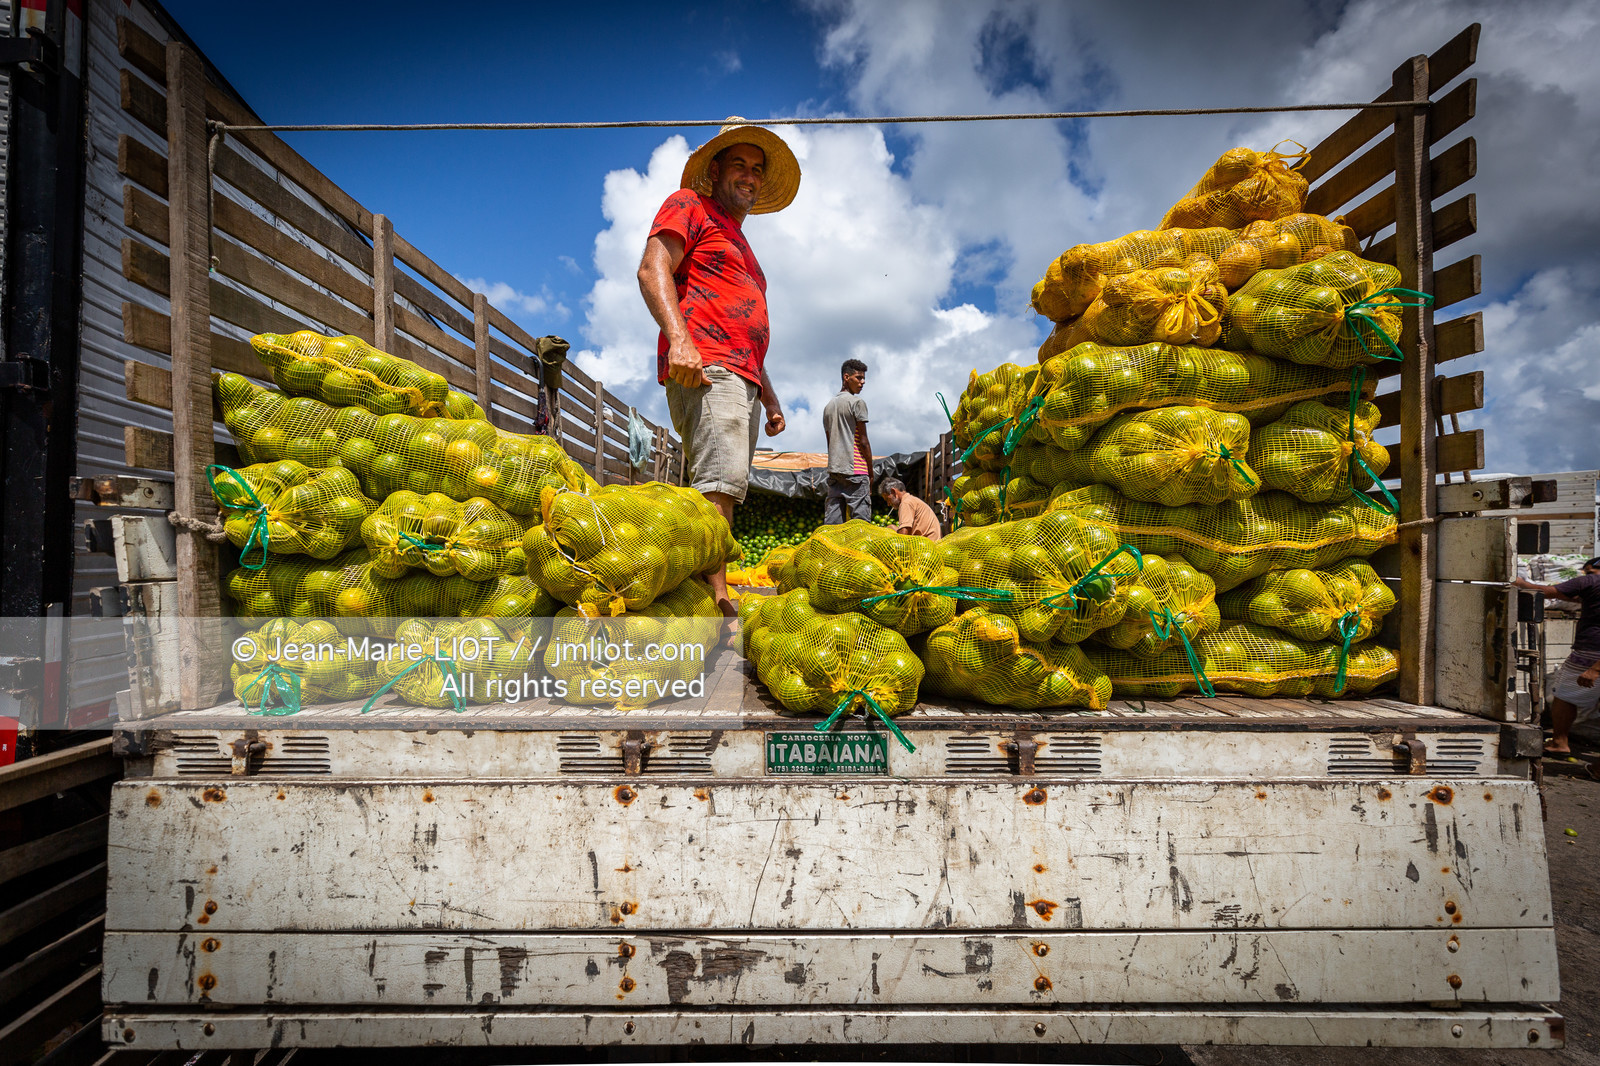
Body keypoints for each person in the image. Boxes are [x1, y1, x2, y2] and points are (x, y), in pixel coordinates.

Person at [636, 118, 800, 619]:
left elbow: (749, 333)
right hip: (708, 368)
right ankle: (714, 599)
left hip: (742, 376)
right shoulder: (690, 207)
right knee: (719, 485)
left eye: (756, 169)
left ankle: (705, 590)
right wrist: (681, 342)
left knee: (726, 484)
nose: (748, 176)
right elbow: (652, 268)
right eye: (739, 165)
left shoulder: (743, 246)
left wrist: (769, 397)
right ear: (714, 170)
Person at [1514, 557, 1600, 755]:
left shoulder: (1589, 581)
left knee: (1563, 695)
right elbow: (1579, 599)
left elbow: (1550, 592)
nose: (1584, 574)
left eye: (1587, 570)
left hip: (1590, 652)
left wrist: (1521, 583)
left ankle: (1559, 742)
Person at [822, 359, 873, 524]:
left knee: (833, 526)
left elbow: (830, 442)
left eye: (863, 378)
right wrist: (870, 472)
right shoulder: (857, 403)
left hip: (835, 471)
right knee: (861, 525)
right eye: (858, 378)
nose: (862, 382)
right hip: (856, 471)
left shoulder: (828, 406)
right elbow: (863, 441)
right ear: (846, 377)